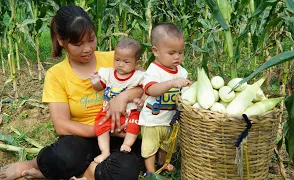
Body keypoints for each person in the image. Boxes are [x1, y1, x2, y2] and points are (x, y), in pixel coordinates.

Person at [0, 5, 143, 180]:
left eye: (91, 39)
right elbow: (62, 125)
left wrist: (125, 96)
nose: (88, 49)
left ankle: (81, 173)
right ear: (61, 41)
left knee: (124, 172)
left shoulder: (116, 59)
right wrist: (103, 129)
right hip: (82, 137)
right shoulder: (56, 75)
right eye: (78, 44)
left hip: (121, 136)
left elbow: (147, 83)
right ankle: (31, 165)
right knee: (58, 158)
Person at [138, 22, 190, 175]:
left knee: (167, 145)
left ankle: (162, 162)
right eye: (172, 53)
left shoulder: (181, 71)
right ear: (156, 51)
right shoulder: (153, 71)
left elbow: (184, 92)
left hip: (169, 119)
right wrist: (171, 83)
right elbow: (151, 89)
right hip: (152, 120)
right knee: (150, 146)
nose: (177, 57)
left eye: (180, 52)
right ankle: (150, 170)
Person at [90, 38, 144, 163]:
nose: (120, 64)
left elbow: (146, 89)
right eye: (117, 60)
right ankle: (105, 151)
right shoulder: (108, 73)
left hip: (129, 111)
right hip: (108, 110)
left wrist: (141, 100)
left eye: (126, 62)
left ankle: (127, 144)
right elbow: (100, 87)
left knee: (134, 123)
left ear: (136, 63)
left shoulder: (138, 76)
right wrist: (95, 82)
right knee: (100, 124)